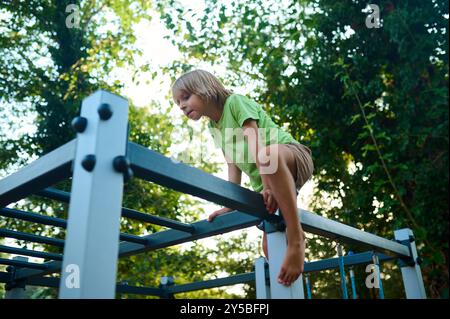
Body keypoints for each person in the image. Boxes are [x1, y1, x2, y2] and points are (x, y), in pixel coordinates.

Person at [172, 69, 314, 286]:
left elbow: (256, 144)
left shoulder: (235, 103)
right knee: (271, 246)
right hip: (269, 181)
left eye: (185, 97)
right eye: (178, 102)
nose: (181, 105)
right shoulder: (214, 126)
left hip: (290, 156)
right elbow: (232, 163)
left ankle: (297, 238)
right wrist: (230, 203)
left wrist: (267, 184)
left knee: (267, 155)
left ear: (204, 90)